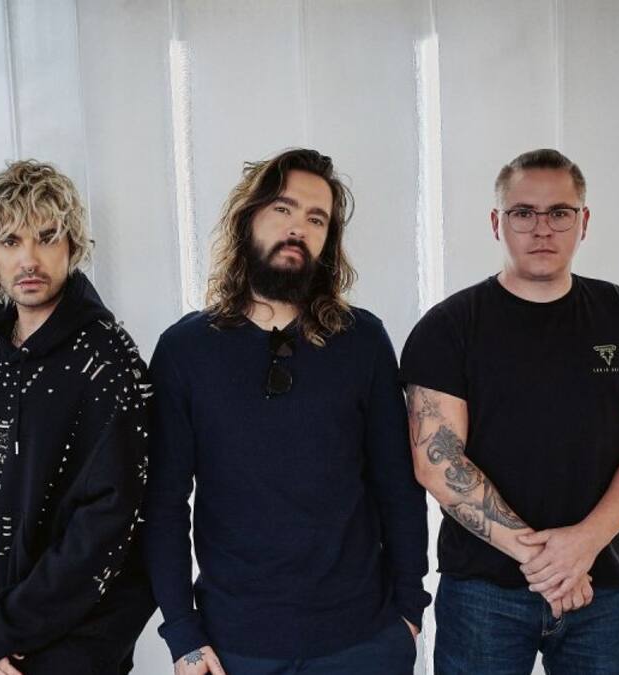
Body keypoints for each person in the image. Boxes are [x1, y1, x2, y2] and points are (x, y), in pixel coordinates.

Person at [144, 148, 430, 675]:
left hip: (363, 642)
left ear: (328, 242)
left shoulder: (362, 340)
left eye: (316, 219)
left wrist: (410, 609)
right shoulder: (186, 350)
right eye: (283, 208)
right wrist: (183, 634)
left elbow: (398, 484)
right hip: (235, 648)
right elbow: (164, 503)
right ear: (248, 218)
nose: (298, 227)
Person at [401, 148, 619, 674]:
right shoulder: (449, 326)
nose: (542, 228)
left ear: (584, 221)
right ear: (497, 222)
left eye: (560, 212)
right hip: (483, 593)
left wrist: (584, 544)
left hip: (601, 587)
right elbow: (438, 461)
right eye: (523, 213)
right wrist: (549, 562)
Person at [0, 160, 155, 675]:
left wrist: (2, 628)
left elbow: (109, 522)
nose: (29, 259)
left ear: (71, 245)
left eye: (47, 237)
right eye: (10, 241)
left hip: (79, 639)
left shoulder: (108, 360)